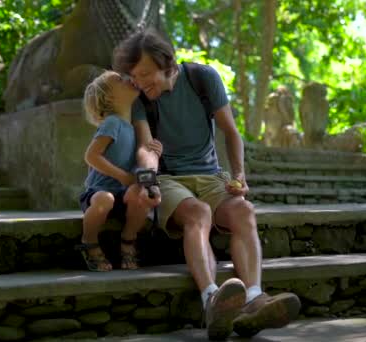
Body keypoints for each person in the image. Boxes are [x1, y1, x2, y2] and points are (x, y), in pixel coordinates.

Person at [113, 29, 300, 340]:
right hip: (170, 178)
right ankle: (213, 300)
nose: (140, 82)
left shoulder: (202, 78)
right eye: (134, 76)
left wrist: (239, 175)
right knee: (198, 213)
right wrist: (148, 181)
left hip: (211, 175)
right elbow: (147, 148)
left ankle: (254, 300)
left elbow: (230, 131)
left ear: (166, 63)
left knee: (243, 211)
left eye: (145, 73)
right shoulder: (139, 98)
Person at [77, 70, 161, 272]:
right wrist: (123, 177)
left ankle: (128, 240)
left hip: (122, 195)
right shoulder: (112, 123)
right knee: (105, 199)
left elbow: (140, 160)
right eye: (119, 80)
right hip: (99, 192)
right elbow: (91, 156)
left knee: (143, 199)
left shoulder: (133, 127)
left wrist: (156, 149)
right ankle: (88, 242)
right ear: (109, 97)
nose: (128, 79)